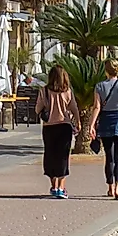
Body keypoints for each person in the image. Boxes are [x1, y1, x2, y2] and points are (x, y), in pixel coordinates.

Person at [91, 59, 118, 200]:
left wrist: (91, 125)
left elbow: (96, 107)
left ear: (106, 71)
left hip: (105, 121)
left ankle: (110, 187)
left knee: (109, 157)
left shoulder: (99, 86)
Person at [36, 65, 77, 198]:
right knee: (63, 156)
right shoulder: (68, 91)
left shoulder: (44, 91)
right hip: (64, 126)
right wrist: (78, 122)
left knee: (50, 155)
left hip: (49, 127)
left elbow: (37, 109)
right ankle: (61, 187)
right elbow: (74, 108)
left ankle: (54, 186)